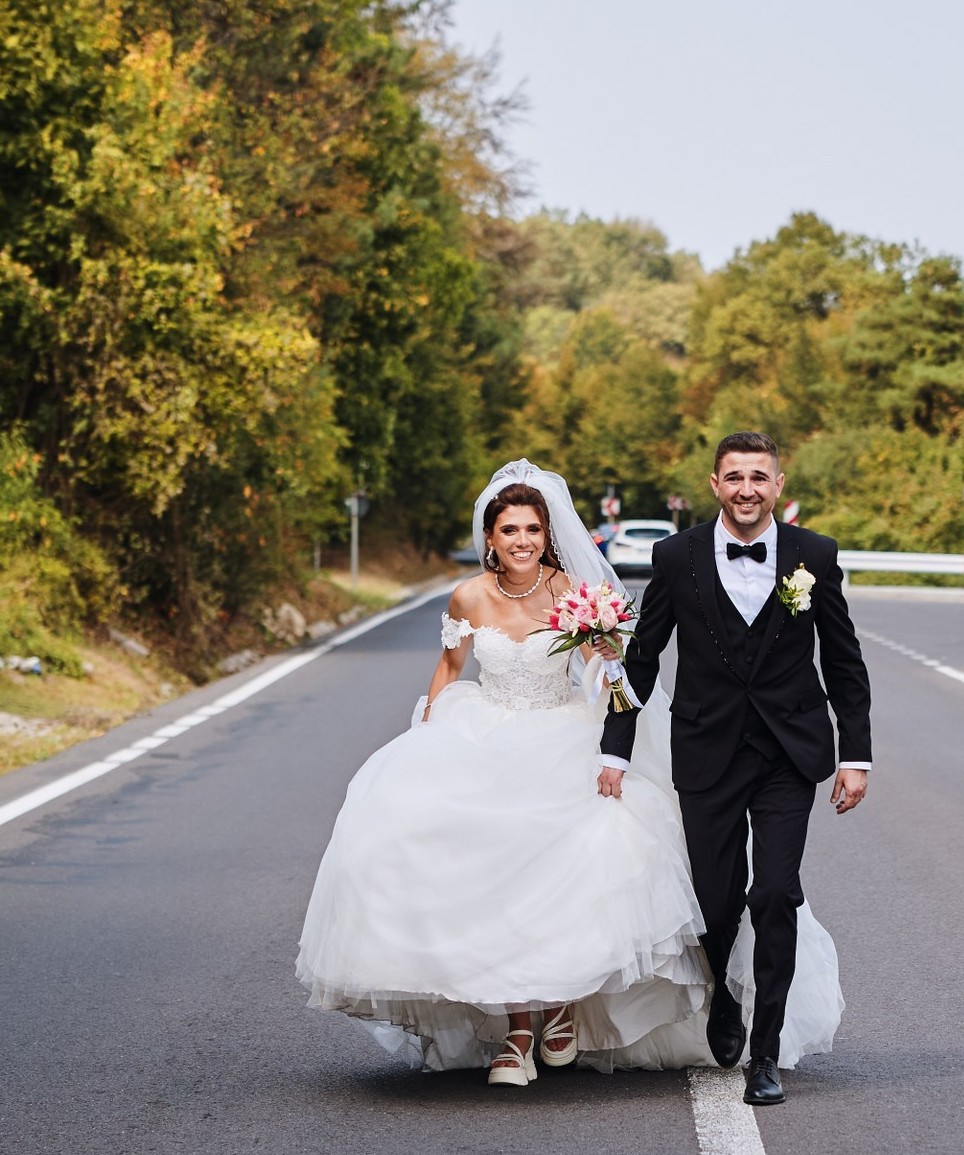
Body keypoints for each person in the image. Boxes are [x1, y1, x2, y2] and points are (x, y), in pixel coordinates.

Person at [297, 462, 848, 1087]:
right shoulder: (468, 596)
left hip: (563, 733)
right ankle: (517, 1034)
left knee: (577, 866)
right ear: (491, 538)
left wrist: (611, 685)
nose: (522, 540)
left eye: (532, 529)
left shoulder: (573, 592)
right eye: (510, 530)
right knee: (481, 872)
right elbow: (450, 670)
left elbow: (607, 671)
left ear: (547, 535)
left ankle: (558, 1009)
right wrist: (427, 733)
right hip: (484, 734)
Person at [597, 431, 873, 1106]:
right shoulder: (675, 556)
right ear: (715, 484)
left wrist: (855, 754)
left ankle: (767, 1051)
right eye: (735, 476)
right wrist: (615, 745)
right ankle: (722, 993)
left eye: (760, 476)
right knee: (716, 900)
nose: (748, 488)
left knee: (774, 891)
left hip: (788, 753)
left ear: (778, 484)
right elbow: (642, 655)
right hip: (707, 749)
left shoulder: (815, 556)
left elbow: (843, 661)